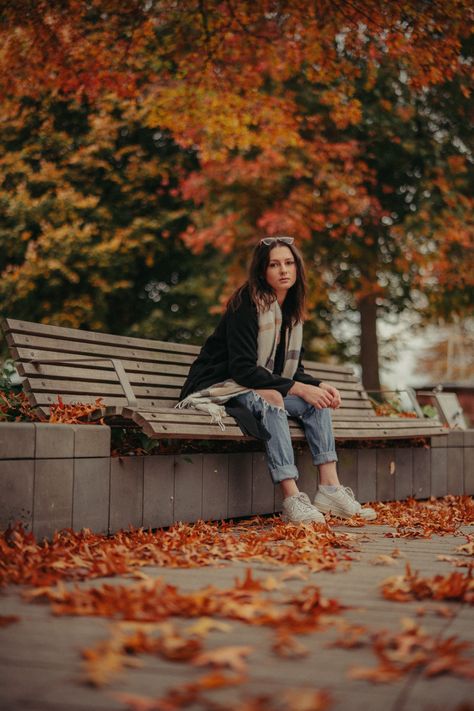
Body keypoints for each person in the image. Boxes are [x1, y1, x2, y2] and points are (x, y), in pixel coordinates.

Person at [178, 236, 377, 524]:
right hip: (220, 385)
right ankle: (292, 497)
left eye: (289, 263)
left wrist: (319, 387)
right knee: (272, 398)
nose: (283, 270)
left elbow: (291, 371)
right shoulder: (245, 304)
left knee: (317, 404)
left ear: (297, 269)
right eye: (274, 264)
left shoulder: (291, 313)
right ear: (262, 271)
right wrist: (299, 389)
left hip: (250, 383)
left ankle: (331, 490)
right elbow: (244, 369)